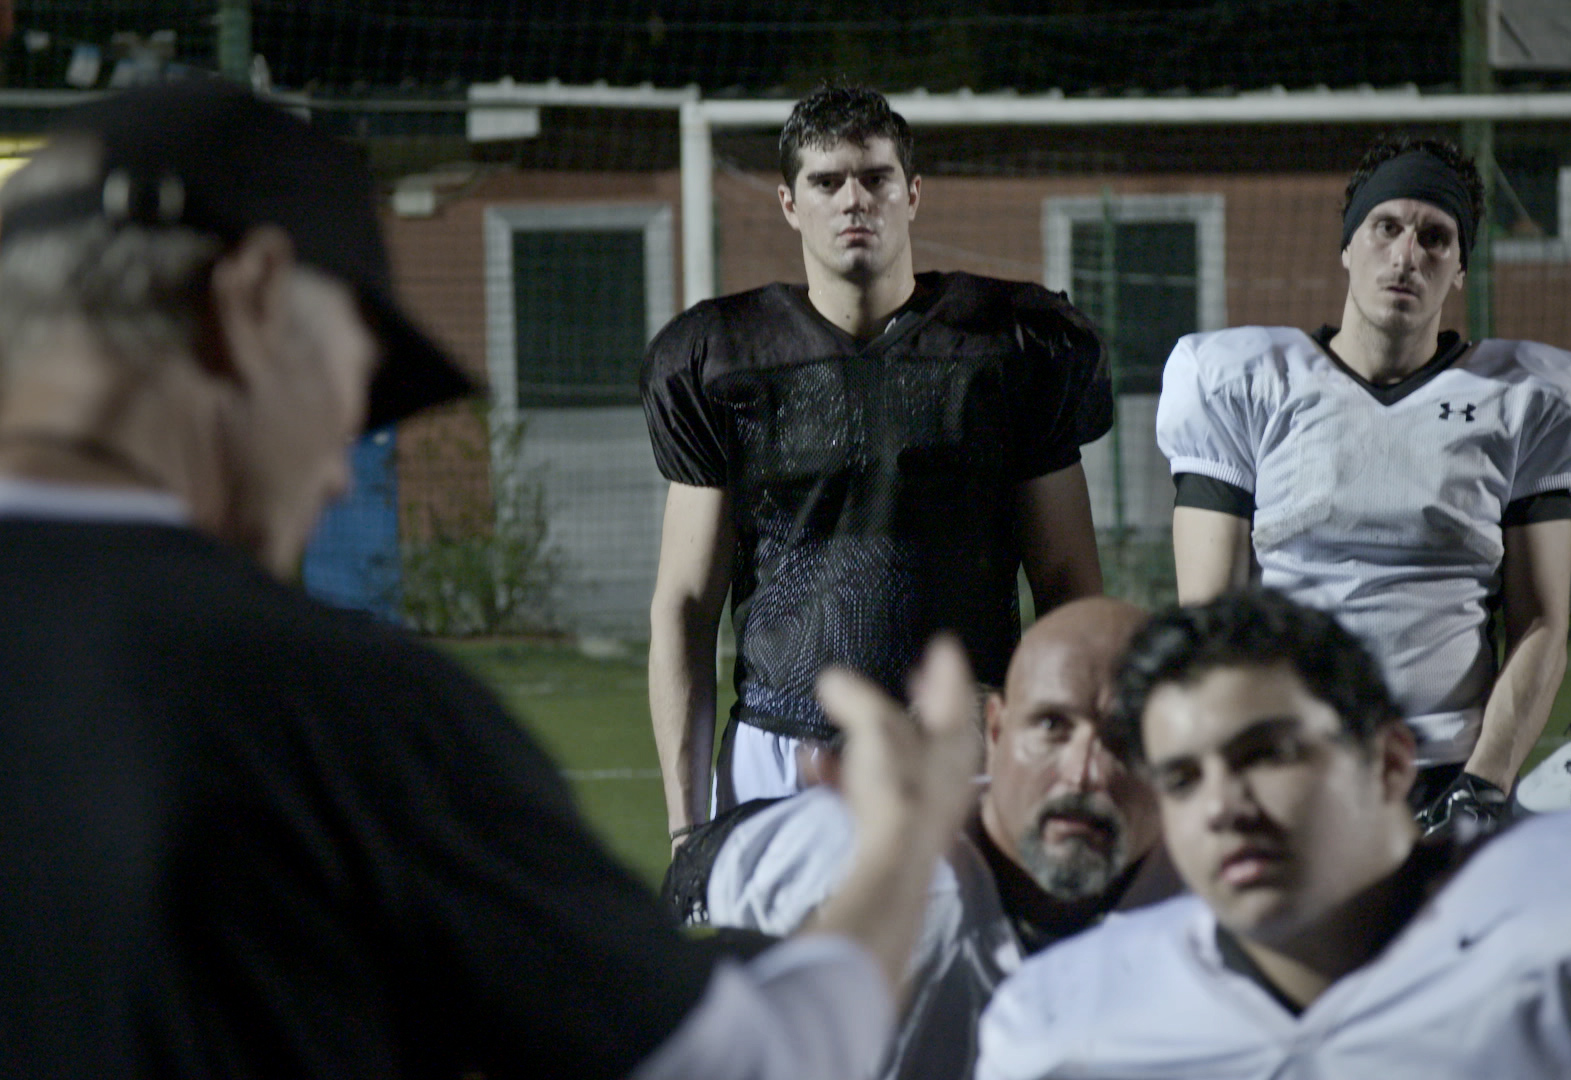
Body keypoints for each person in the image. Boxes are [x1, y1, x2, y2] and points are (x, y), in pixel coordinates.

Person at [0, 77, 982, 1080]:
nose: (337, 469)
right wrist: (901, 846)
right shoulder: (337, 714)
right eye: (355, 388)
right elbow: (740, 1066)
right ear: (250, 301)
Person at [976, 588, 1571, 1080]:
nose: (1222, 805)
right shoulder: (1063, 1017)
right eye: (1181, 777)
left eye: (1267, 753)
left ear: (1390, 762)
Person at [644, 84, 1110, 838]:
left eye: (875, 178)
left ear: (912, 193)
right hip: (780, 749)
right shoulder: (721, 359)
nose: (853, 200)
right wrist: (684, 830)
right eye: (827, 182)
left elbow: (1067, 579)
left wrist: (1065, 754)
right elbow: (687, 604)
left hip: (965, 744)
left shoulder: (1014, 345)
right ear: (790, 204)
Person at [1154, 136, 1571, 825]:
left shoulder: (1521, 399)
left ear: (1460, 267)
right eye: (1386, 227)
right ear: (1347, 245)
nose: (1405, 256)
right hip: (1293, 762)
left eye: (1435, 237)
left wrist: (1484, 783)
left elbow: (1542, 623)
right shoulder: (1248, 384)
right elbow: (1213, 620)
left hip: (1449, 768)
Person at [670, 596, 1173, 1080]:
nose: (1084, 773)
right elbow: (692, 890)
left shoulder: (1200, 914)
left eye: (1125, 737)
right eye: (1051, 726)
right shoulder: (835, 854)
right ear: (997, 732)